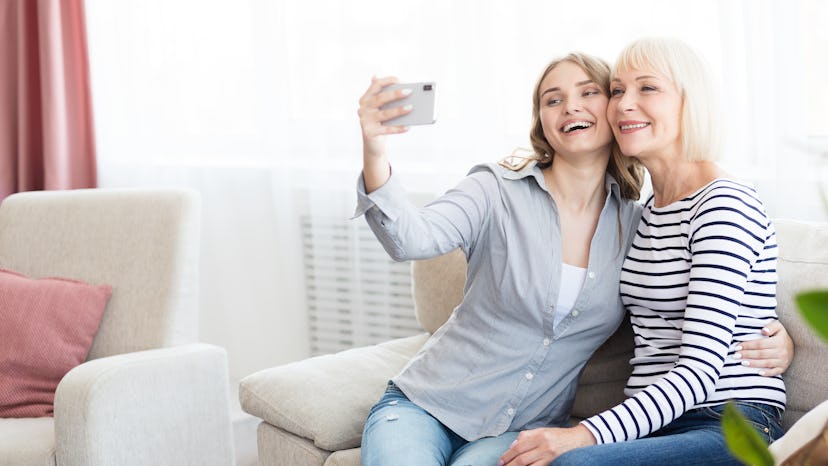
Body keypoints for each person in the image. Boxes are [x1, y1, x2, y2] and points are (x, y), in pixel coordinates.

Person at [355, 51, 791, 466]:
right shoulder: (495, 191)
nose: (570, 107)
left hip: (525, 427)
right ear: (541, 122)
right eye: (553, 99)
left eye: (589, 93)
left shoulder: (638, 225)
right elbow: (410, 239)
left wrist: (778, 335)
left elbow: (702, 286)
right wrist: (375, 148)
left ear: (613, 115)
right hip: (427, 402)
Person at [499, 37, 788, 466]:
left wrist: (583, 434)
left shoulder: (723, 204)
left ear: (691, 103)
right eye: (617, 90)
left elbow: (699, 371)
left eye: (647, 88)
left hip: (729, 422)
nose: (623, 105)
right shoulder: (648, 210)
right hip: (657, 423)